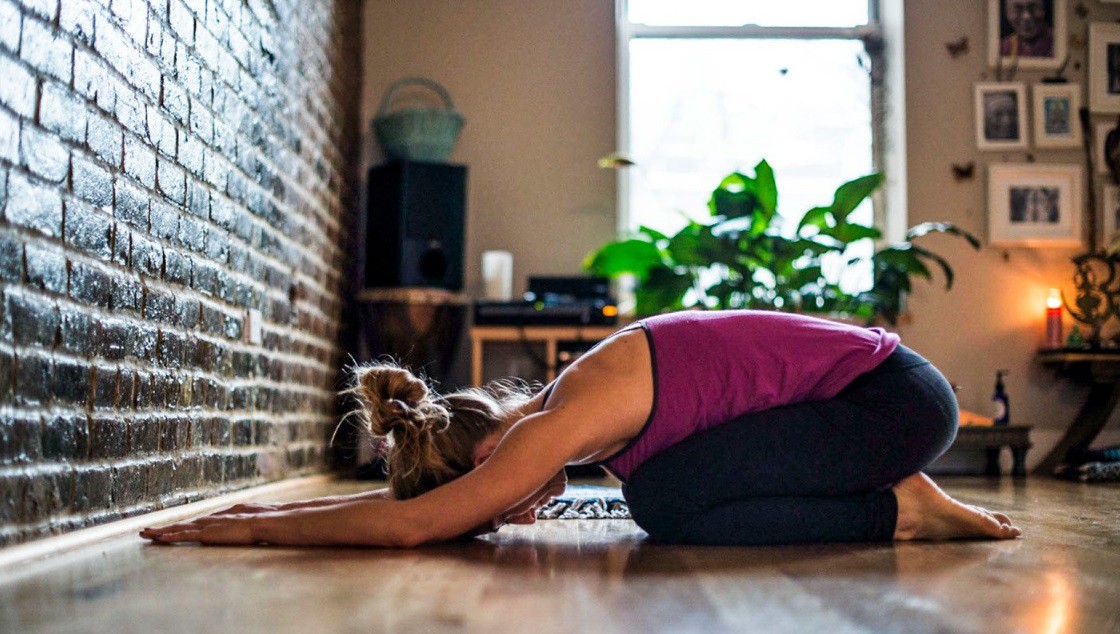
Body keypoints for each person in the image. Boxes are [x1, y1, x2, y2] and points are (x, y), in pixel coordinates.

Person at [141, 310, 1022, 547]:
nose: (513, 513)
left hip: (892, 404)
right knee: (664, 495)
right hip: (879, 402)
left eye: (492, 504)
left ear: (490, 453)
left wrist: (253, 525)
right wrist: (265, 514)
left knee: (665, 501)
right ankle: (894, 499)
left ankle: (900, 510)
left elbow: (413, 525)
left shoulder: (552, 424)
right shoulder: (579, 407)